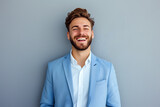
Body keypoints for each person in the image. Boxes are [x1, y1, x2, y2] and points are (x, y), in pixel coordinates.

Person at [40, 8, 121, 107]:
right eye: (75, 29)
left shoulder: (107, 68)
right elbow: (46, 104)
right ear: (68, 35)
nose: (81, 33)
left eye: (86, 28)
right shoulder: (53, 68)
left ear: (92, 34)